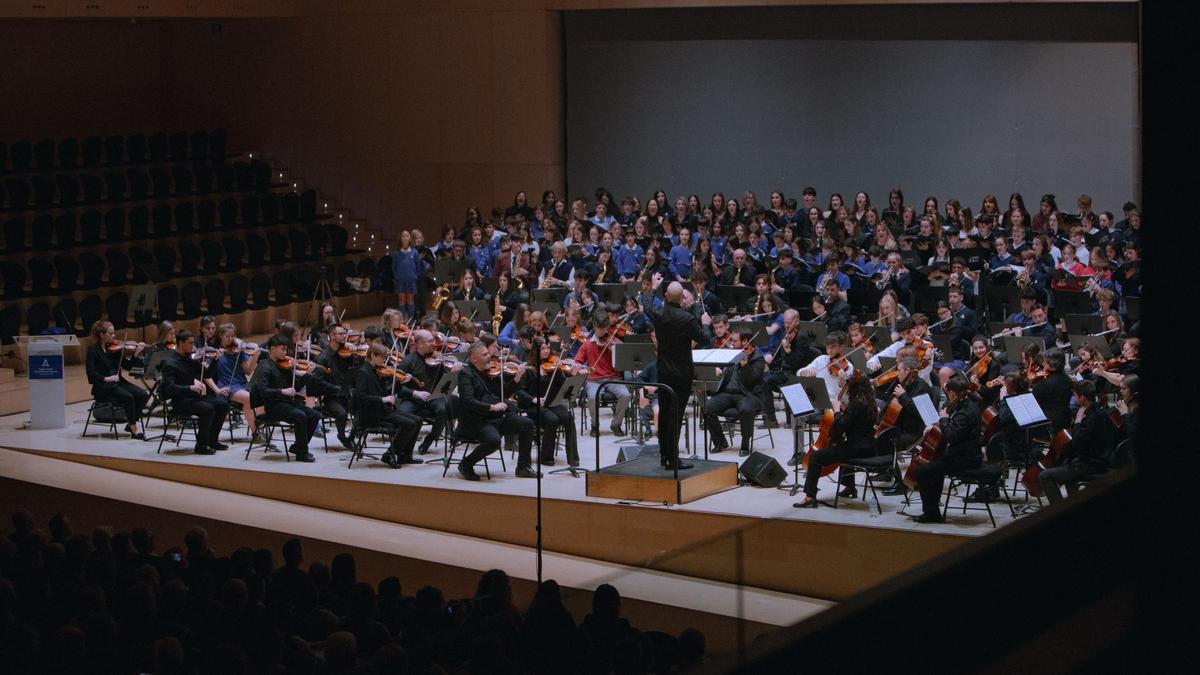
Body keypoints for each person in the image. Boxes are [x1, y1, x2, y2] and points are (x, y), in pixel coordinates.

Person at [793, 373, 880, 507]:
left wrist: (836, 411)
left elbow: (840, 427)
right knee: (842, 448)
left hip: (857, 449)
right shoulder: (871, 402)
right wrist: (845, 412)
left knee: (815, 457)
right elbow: (855, 422)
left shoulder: (856, 404)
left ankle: (810, 497)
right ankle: (850, 488)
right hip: (870, 448)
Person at [454, 341, 537, 480]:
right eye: (485, 354)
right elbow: (468, 401)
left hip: (493, 418)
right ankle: (466, 464)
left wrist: (517, 378)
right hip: (475, 421)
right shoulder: (465, 374)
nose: (489, 356)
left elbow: (501, 394)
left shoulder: (488, 372)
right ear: (474, 359)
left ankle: (523, 467)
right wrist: (492, 407)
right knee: (494, 440)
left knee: (527, 424)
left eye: (488, 353)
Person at [646, 277, 706, 470]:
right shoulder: (686, 319)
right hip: (681, 374)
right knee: (676, 416)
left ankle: (664, 456)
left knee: (664, 415)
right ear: (681, 299)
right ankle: (673, 459)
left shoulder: (659, 313)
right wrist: (704, 322)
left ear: (665, 296)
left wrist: (653, 287)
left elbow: (646, 303)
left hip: (663, 371)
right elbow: (703, 338)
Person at [911, 376, 982, 523]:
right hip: (965, 454)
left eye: (948, 393)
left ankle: (931, 512)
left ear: (953, 394)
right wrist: (936, 426)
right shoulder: (968, 405)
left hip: (964, 459)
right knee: (935, 466)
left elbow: (952, 436)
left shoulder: (964, 412)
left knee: (923, 471)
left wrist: (943, 419)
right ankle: (933, 510)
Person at [1039, 380, 1117, 504]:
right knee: (1069, 478)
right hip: (1104, 460)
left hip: (1091, 465)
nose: (1074, 399)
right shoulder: (1102, 412)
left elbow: (1077, 443)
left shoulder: (1089, 418)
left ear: (1082, 398)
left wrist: (1077, 422)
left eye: (1075, 395)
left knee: (1045, 476)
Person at [253, 335, 326, 462]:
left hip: (288, 403)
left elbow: (295, 387)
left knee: (314, 415)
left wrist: (308, 374)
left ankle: (298, 446)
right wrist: (282, 391)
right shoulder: (264, 366)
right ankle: (302, 453)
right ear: (272, 349)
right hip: (273, 406)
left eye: (286, 349)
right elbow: (263, 391)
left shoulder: (285, 366)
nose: (285, 352)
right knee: (300, 416)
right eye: (282, 349)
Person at [159, 330, 231, 455]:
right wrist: (190, 388)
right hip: (180, 401)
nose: (193, 346)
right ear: (181, 343)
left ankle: (212, 440)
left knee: (223, 404)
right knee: (207, 409)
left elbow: (206, 374)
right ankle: (201, 446)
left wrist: (214, 360)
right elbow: (169, 388)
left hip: (193, 398)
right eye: (190, 343)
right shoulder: (170, 363)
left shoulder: (189, 360)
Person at [352, 344, 423, 468]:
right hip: (371, 414)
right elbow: (360, 398)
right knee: (410, 424)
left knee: (418, 420)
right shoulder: (363, 372)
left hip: (383, 410)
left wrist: (400, 383)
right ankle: (389, 454)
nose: (384, 361)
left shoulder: (377, 371)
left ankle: (405, 456)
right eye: (382, 358)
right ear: (373, 355)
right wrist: (382, 399)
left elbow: (388, 391)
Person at [516, 338, 581, 467]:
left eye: (548, 348)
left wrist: (573, 375)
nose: (546, 351)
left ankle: (573, 458)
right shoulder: (529, 368)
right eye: (543, 348)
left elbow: (565, 388)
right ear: (536, 350)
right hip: (533, 406)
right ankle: (546, 457)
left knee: (568, 417)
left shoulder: (554, 367)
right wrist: (534, 399)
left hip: (551, 404)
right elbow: (519, 392)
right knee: (552, 419)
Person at [702, 331, 764, 457]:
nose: (731, 343)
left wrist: (745, 366)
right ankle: (720, 442)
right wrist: (718, 371)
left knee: (746, 409)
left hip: (747, 394)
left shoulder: (758, 358)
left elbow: (752, 381)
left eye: (734, 341)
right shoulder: (732, 354)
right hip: (727, 392)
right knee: (707, 407)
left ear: (745, 342)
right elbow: (723, 371)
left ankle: (745, 444)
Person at [85, 320, 150, 438]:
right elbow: (91, 373)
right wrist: (106, 378)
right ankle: (134, 429)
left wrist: (135, 354)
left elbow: (128, 366)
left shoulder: (115, 350)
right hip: (103, 386)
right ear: (102, 335)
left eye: (114, 333)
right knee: (128, 397)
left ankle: (131, 423)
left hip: (118, 383)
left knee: (142, 395)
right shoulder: (93, 351)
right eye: (111, 333)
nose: (114, 336)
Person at [398, 329, 459, 455]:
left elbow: (446, 379)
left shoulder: (437, 359)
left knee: (443, 409)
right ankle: (401, 449)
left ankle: (429, 440)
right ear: (420, 344)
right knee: (402, 413)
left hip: (434, 396)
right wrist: (414, 392)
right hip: (414, 398)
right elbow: (398, 387)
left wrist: (453, 371)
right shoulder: (408, 361)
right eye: (430, 341)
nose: (434, 343)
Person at [575, 314, 631, 438]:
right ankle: (595, 425)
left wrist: (615, 348)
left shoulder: (613, 341)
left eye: (604, 328)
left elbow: (626, 356)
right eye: (599, 328)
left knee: (626, 395)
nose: (602, 332)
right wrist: (583, 369)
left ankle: (616, 424)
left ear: (607, 327)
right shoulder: (587, 344)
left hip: (612, 377)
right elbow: (577, 362)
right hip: (594, 379)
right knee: (592, 397)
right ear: (594, 326)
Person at [206, 323, 263, 444]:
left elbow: (248, 371)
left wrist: (255, 356)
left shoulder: (240, 352)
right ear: (221, 336)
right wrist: (216, 389)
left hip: (242, 384)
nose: (231, 339)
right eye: (227, 336)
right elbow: (206, 375)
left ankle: (259, 426)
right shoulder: (216, 352)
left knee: (262, 396)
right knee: (249, 398)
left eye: (233, 336)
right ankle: (256, 433)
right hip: (227, 386)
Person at [760, 309, 811, 427]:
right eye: (785, 322)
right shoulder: (785, 333)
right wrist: (768, 362)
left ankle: (790, 420)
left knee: (785, 383)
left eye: (789, 322)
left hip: (796, 372)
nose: (787, 325)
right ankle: (771, 420)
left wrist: (788, 351)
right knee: (764, 380)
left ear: (797, 321)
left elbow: (796, 363)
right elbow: (778, 354)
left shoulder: (801, 336)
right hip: (784, 370)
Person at [315, 324, 358, 449]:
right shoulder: (323, 357)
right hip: (331, 398)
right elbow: (318, 380)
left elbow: (357, 369)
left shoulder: (346, 353)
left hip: (347, 394)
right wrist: (333, 388)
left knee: (363, 410)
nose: (344, 336)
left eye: (344, 333)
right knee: (341, 414)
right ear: (332, 336)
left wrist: (354, 353)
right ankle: (342, 436)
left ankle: (351, 437)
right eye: (341, 334)